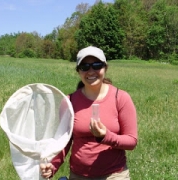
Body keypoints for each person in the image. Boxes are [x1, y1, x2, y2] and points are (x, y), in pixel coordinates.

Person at [40, 46, 138, 180]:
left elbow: (131, 141)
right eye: (85, 67)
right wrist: (53, 166)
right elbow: (64, 142)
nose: (91, 71)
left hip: (114, 175)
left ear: (105, 68)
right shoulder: (69, 102)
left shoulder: (120, 98)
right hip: (79, 175)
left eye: (97, 65)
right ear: (78, 71)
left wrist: (105, 136)